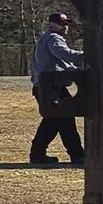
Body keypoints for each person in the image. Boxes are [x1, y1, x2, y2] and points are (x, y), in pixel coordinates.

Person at [30, 11, 85, 166]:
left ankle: (38, 155)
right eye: (62, 24)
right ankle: (77, 155)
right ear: (51, 25)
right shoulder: (53, 38)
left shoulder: (47, 38)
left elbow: (63, 63)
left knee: (53, 120)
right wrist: (88, 55)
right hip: (51, 88)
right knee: (64, 119)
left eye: (66, 24)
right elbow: (65, 55)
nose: (65, 27)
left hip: (48, 86)